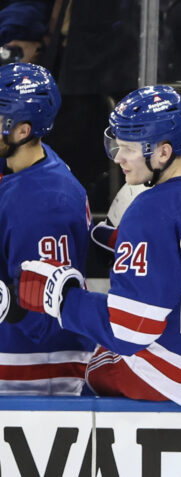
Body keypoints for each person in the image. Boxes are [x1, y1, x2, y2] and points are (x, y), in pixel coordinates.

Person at [17, 85, 181, 411]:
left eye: (128, 148)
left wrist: (61, 299)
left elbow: (131, 329)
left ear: (163, 152)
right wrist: (128, 243)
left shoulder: (149, 210)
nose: (118, 157)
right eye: (116, 144)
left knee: (93, 366)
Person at [0, 62, 92, 394]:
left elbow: (44, 314)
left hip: (34, 371)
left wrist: (7, 300)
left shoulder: (45, 203)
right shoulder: (28, 162)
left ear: (22, 131)